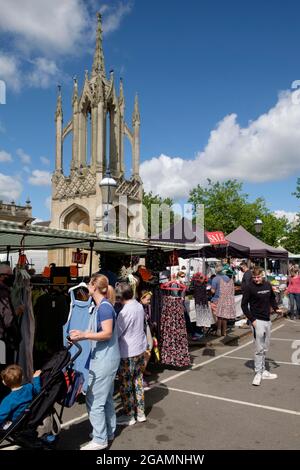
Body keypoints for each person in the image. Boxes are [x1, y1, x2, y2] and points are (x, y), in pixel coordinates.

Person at [69, 274, 120, 451]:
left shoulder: (104, 308)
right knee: (105, 399)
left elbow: (106, 333)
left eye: (89, 284)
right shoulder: (101, 307)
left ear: (93, 287)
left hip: (104, 360)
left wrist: (83, 335)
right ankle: (109, 432)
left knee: (95, 400)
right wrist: (81, 333)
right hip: (105, 359)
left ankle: (100, 439)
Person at [241, 267, 281, 386]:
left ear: (262, 276)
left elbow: (272, 299)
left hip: (267, 320)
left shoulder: (267, 285)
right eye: (254, 277)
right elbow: (243, 306)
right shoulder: (249, 287)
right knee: (259, 348)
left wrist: (276, 309)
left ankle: (263, 371)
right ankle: (258, 373)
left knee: (265, 347)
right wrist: (252, 320)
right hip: (257, 320)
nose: (256, 279)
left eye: (258, 277)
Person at [115, 282, 147, 426]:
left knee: (126, 384)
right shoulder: (138, 305)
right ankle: (140, 412)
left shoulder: (125, 311)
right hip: (139, 348)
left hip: (128, 352)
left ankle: (129, 415)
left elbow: (116, 332)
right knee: (138, 381)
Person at [0, 365, 41, 431]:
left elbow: (1, 416)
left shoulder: (8, 400)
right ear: (22, 378)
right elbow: (38, 391)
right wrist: (36, 378)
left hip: (14, 424)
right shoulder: (29, 387)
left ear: (4, 383)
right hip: (26, 418)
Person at [0, 263, 22, 366]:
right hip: (3, 340)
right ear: (2, 276)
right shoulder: (3, 293)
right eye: (9, 275)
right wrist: (17, 311)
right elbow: (8, 321)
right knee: (4, 368)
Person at [210, 263, 236, 337]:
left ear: (215, 270)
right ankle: (224, 331)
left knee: (218, 316)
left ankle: (218, 330)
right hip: (225, 299)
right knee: (224, 316)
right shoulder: (227, 278)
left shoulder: (215, 279)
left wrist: (210, 288)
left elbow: (213, 291)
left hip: (217, 299)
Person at [139, 290, 153, 388]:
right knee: (146, 350)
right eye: (147, 299)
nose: (149, 301)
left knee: (149, 348)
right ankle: (140, 374)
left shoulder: (144, 307)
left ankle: (143, 370)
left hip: (146, 327)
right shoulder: (139, 308)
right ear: (141, 298)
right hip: (142, 329)